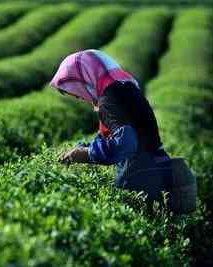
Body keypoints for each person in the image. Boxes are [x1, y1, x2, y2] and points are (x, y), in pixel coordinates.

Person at [50, 49, 196, 213]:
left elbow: (126, 144)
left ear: (86, 79)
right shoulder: (126, 89)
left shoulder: (109, 101)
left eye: (77, 91)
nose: (80, 97)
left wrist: (85, 154)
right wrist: (84, 147)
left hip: (140, 179)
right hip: (159, 171)